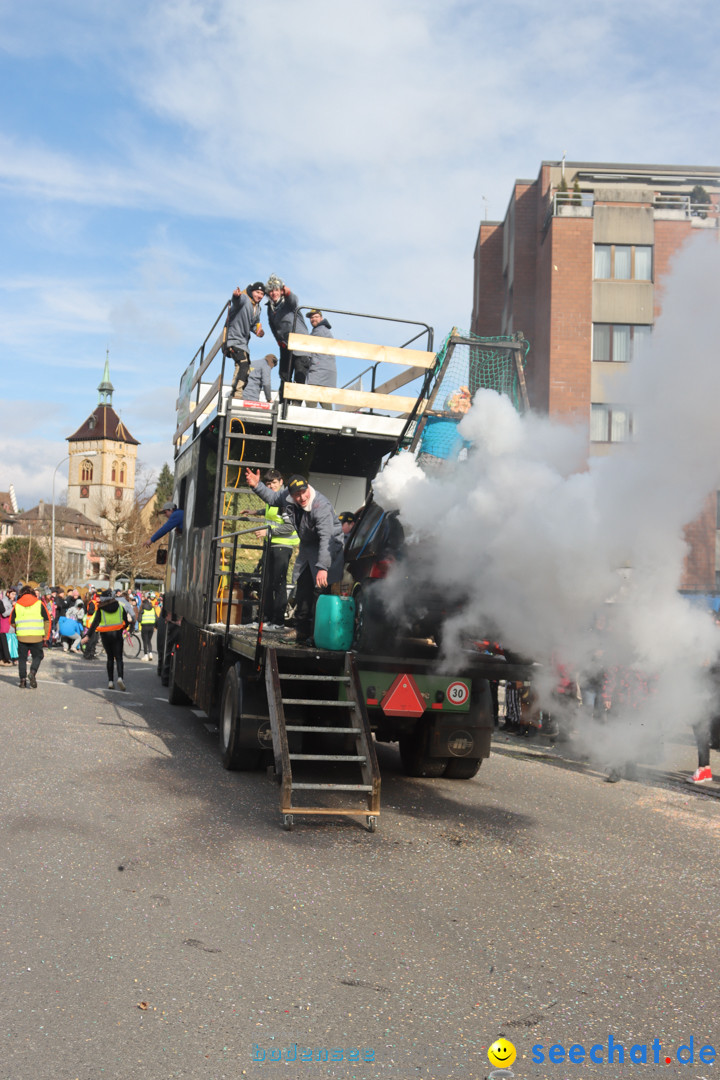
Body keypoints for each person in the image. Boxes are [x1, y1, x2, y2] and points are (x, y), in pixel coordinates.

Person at [245, 469, 343, 646]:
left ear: (308, 488)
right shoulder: (287, 497)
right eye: (297, 494)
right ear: (290, 495)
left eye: (303, 492)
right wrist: (257, 486)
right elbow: (273, 499)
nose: (302, 497)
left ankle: (317, 633)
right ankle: (300, 629)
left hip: (328, 546)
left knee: (319, 591)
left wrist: (323, 567)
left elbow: (326, 538)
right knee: (303, 587)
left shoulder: (320, 506)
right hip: (308, 546)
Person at [248, 469, 299, 630]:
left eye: (274, 483)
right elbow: (273, 512)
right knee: (267, 583)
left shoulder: (285, 499)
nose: (271, 486)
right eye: (268, 484)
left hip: (283, 545)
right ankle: (265, 619)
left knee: (279, 583)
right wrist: (256, 512)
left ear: (281, 482)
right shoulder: (275, 499)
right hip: (271, 544)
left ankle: (278, 622)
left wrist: (267, 531)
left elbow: (289, 527)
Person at [265, 276, 310, 389]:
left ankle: (296, 403)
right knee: (284, 375)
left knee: (300, 373)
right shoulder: (270, 308)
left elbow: (294, 300)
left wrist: (289, 293)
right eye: (271, 291)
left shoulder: (288, 303)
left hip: (300, 344)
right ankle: (283, 402)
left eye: (276, 290)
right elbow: (272, 325)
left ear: (281, 291)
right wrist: (278, 340)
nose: (274, 293)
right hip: (285, 344)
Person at [82, 589, 131, 691]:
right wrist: (122, 626)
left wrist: (87, 636)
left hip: (105, 636)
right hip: (117, 635)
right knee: (119, 658)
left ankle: (110, 681)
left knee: (109, 658)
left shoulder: (100, 609)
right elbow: (126, 622)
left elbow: (94, 623)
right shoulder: (120, 607)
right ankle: (120, 678)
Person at [225, 282, 266, 397]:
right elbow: (237, 301)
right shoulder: (244, 299)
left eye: (262, 294)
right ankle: (236, 394)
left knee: (246, 368)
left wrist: (259, 332)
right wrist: (236, 296)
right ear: (252, 291)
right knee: (243, 364)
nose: (260, 296)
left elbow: (254, 324)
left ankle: (237, 392)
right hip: (233, 339)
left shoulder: (257, 308)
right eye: (257, 292)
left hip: (243, 343)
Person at [11, 585, 50, 688]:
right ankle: (32, 672)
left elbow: (12, 621)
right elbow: (47, 620)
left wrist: (18, 629)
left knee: (22, 659)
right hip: (36, 636)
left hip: (22, 636)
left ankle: (22, 680)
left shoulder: (17, 605)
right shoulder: (39, 604)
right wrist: (45, 635)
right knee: (38, 656)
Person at [306, 309, 337, 408]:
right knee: (325, 402)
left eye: (316, 317)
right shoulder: (324, 330)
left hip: (319, 369)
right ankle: (329, 422)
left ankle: (309, 422)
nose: (313, 319)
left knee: (311, 399)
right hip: (327, 370)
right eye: (311, 317)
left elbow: (308, 347)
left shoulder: (319, 330)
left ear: (321, 318)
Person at [139, 594, 158, 660]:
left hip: (144, 627)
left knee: (145, 641)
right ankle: (150, 653)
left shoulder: (142, 610)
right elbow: (156, 618)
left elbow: (139, 619)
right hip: (151, 627)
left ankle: (145, 655)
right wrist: (156, 626)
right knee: (149, 640)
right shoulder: (153, 609)